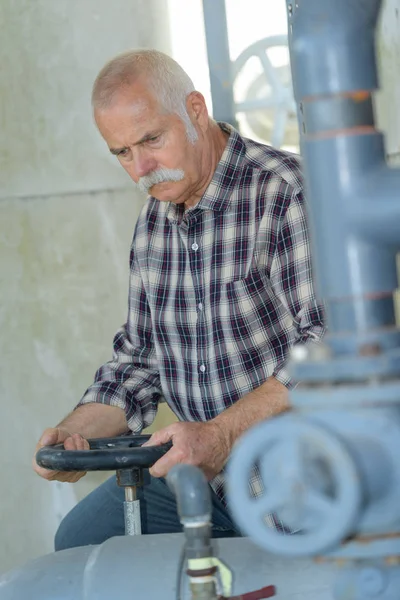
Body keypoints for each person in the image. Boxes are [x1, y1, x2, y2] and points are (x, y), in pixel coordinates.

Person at [33, 49, 324, 550]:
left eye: (150, 139)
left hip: (298, 472)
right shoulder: (154, 220)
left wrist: (221, 435)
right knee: (81, 543)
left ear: (194, 110)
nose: (142, 167)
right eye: (122, 152)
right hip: (202, 480)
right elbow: (140, 363)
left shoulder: (287, 193)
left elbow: (328, 349)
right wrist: (72, 434)